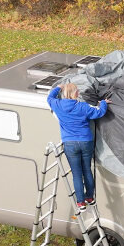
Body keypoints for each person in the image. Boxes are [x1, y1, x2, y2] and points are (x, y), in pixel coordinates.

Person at [47, 82, 110, 212]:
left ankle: (81, 203)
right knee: (87, 169)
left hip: (70, 143)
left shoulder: (57, 105)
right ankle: (90, 198)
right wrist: (103, 103)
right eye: (77, 91)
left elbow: (49, 98)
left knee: (77, 174)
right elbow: (99, 113)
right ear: (75, 94)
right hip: (85, 141)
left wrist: (58, 87)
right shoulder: (82, 107)